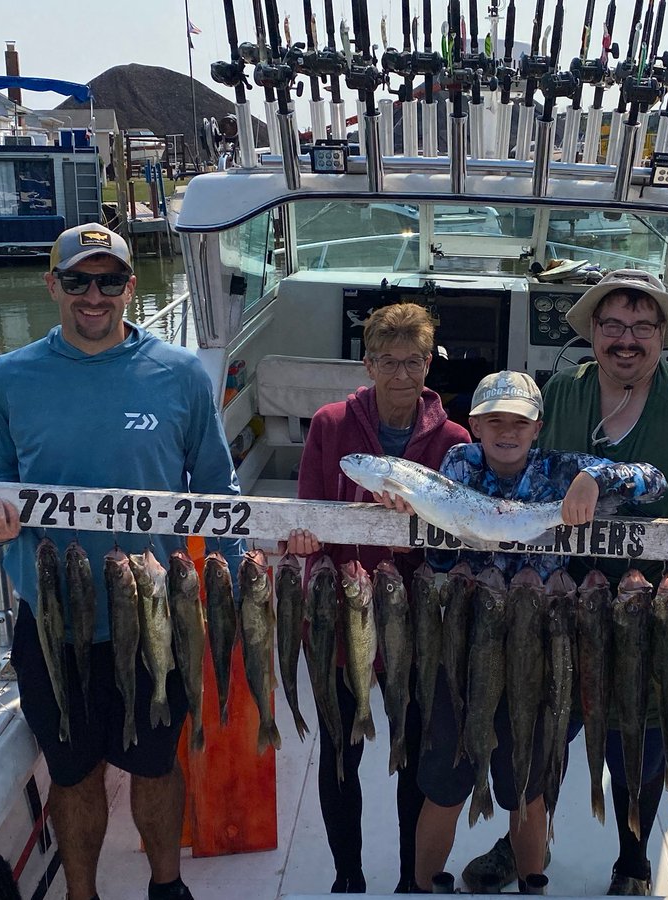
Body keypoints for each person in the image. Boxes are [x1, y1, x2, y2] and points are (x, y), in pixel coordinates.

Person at [0, 222, 240, 900]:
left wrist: (247, 567)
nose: (93, 295)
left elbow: (217, 491)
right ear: (52, 284)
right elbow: (5, 478)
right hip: (51, 621)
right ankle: (81, 894)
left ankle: (165, 885)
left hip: (154, 619)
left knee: (154, 762)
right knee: (73, 771)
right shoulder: (7, 378)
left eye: (109, 280)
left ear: (129, 288)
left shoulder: (179, 376)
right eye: (78, 279)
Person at [463, 269, 668, 896]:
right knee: (538, 727)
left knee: (645, 739)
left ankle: (632, 859)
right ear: (593, 332)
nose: (627, 340)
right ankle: (521, 846)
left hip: (658, 611)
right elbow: (508, 471)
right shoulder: (560, 396)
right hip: (557, 603)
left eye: (642, 328)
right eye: (614, 326)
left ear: (663, 337)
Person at [410, 370, 667, 894]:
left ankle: (532, 885)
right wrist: (404, 500)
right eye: (495, 421)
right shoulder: (456, 464)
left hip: (541, 646)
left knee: (527, 781)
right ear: (475, 425)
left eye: (520, 423)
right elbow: (437, 553)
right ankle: (421, 885)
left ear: (538, 428)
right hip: (461, 636)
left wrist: (595, 480)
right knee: (445, 782)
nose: (507, 432)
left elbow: (654, 480)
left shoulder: (562, 469)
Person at [284, 303, 470, 893]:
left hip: (416, 624)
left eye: (413, 362)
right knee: (341, 752)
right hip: (339, 617)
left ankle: (411, 881)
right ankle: (348, 874)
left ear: (428, 365)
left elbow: (459, 539)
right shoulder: (329, 424)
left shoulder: (456, 441)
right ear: (367, 365)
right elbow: (309, 509)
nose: (400, 376)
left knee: (413, 754)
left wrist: (417, 526)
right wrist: (308, 540)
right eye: (388, 362)